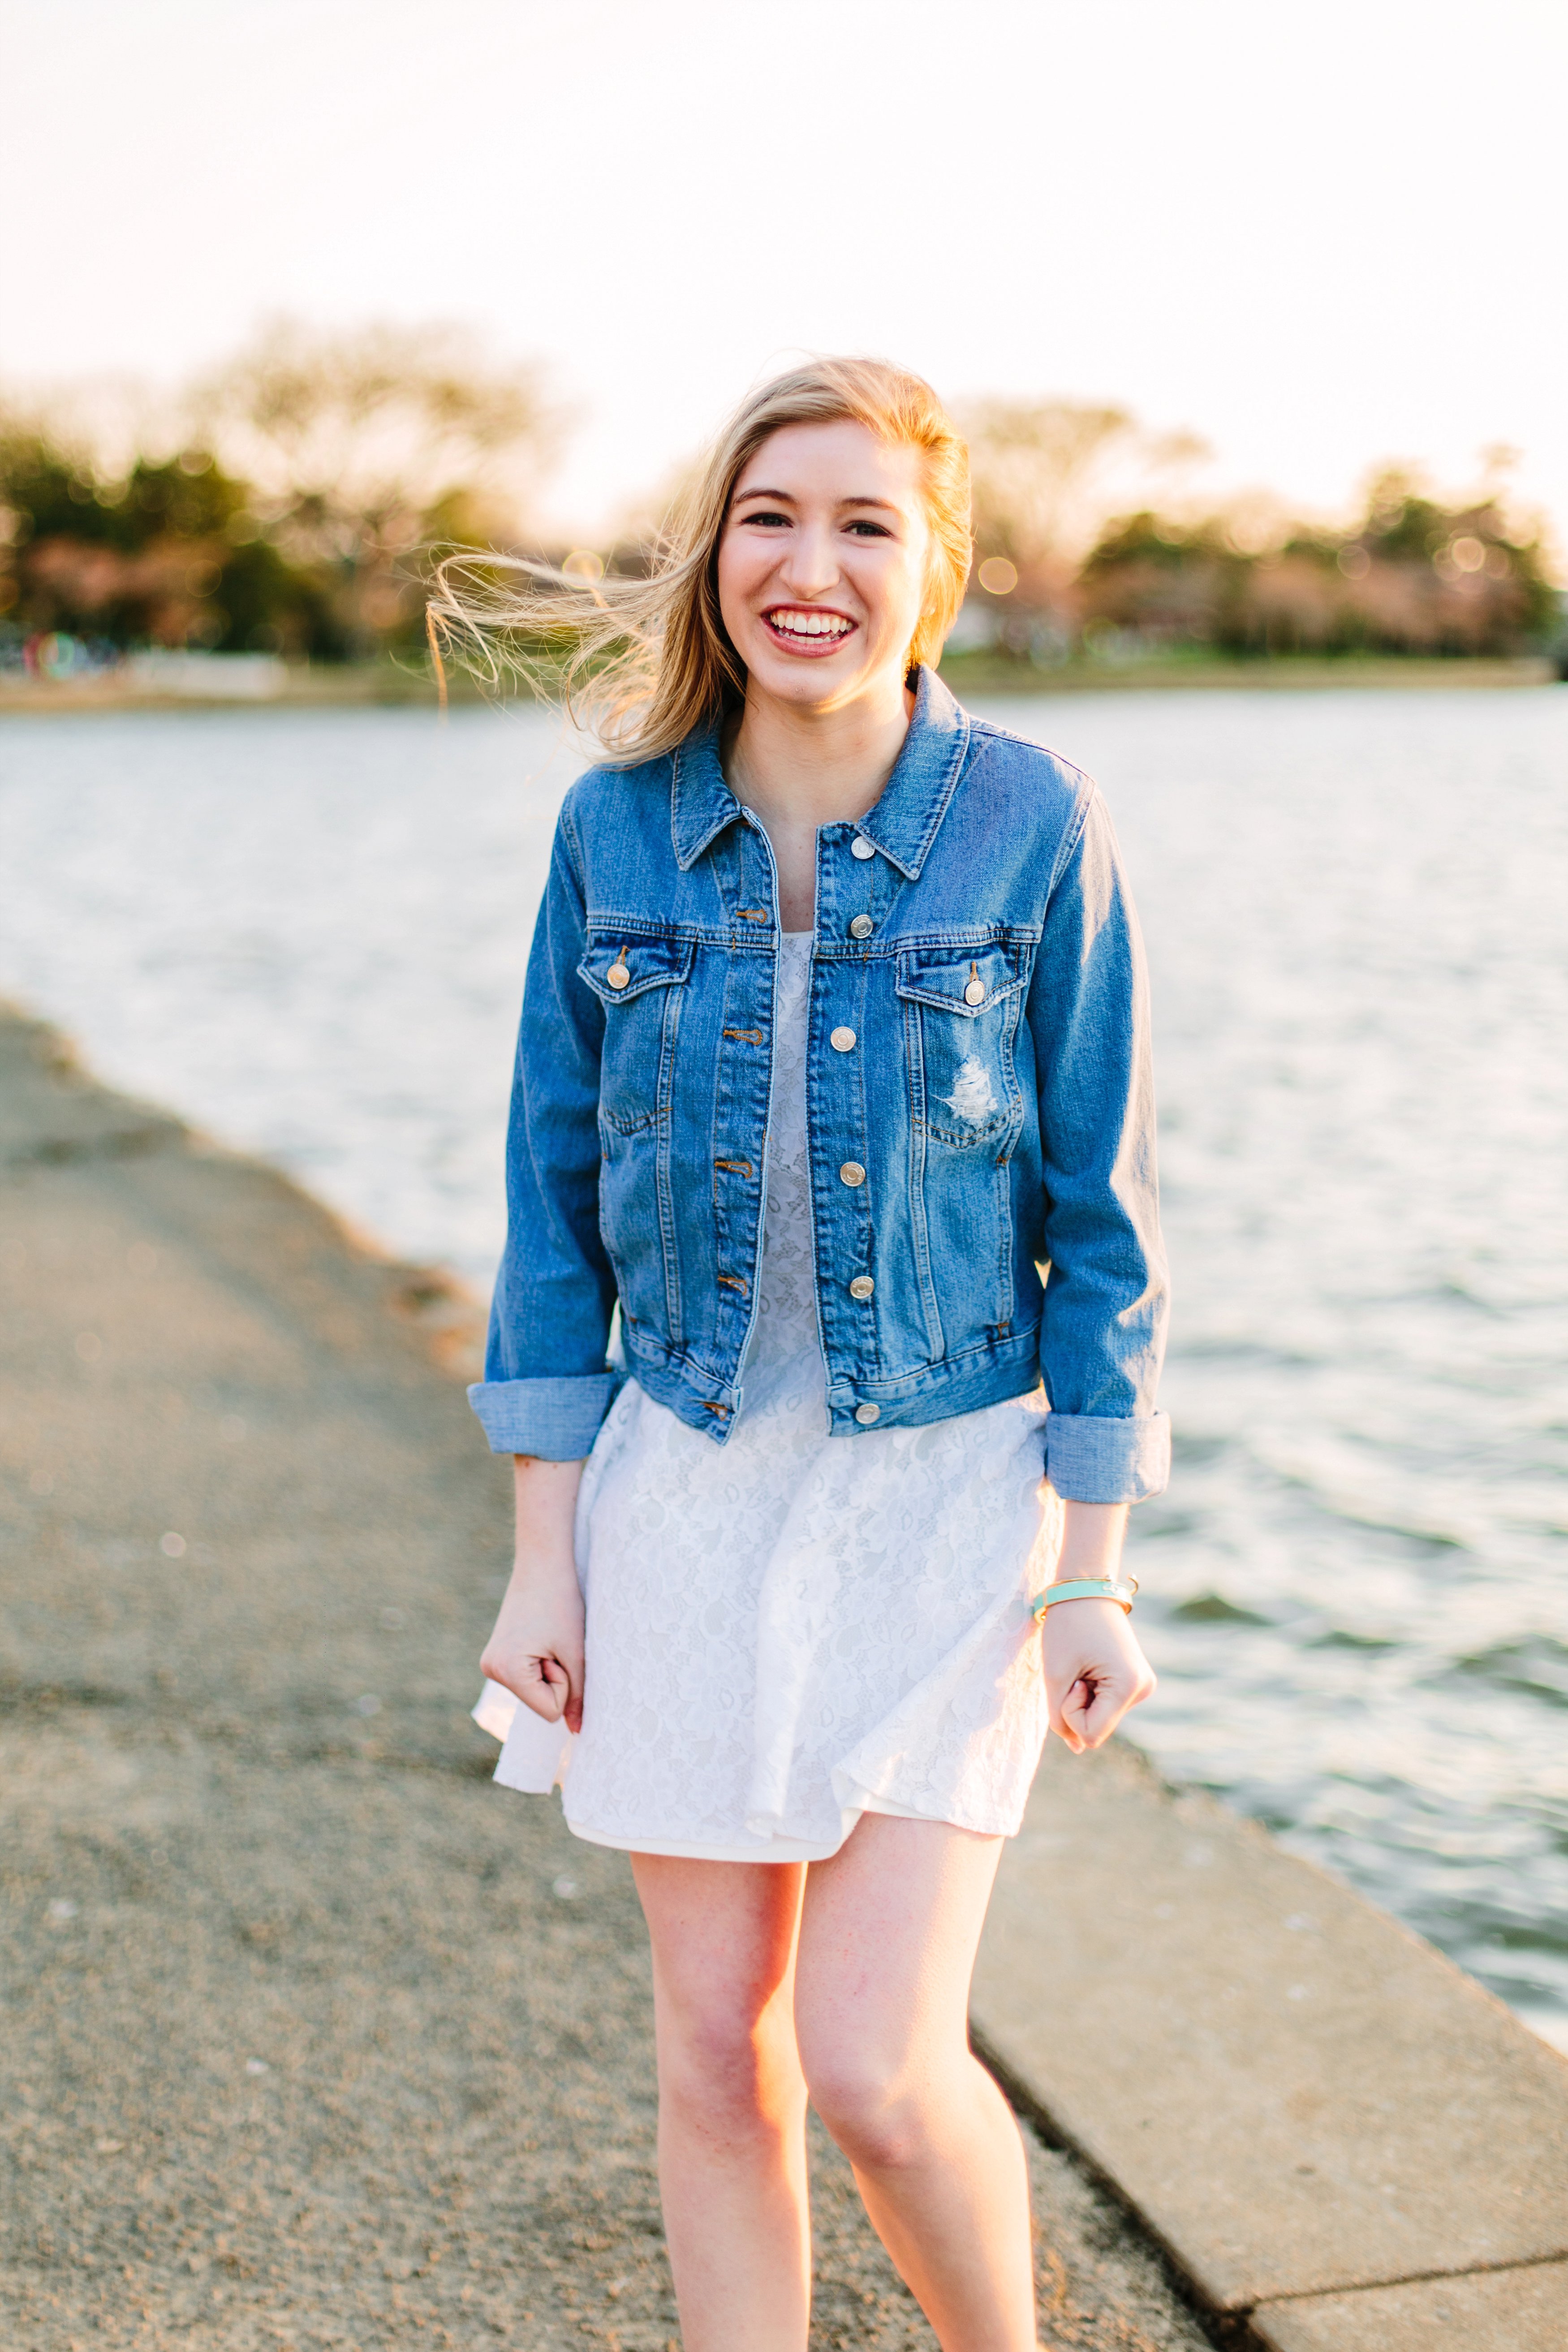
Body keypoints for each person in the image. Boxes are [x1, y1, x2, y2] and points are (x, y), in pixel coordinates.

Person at [433, 357, 1168, 2352]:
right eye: (771, 515)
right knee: (707, 2048)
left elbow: (1099, 1215)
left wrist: (1090, 1557)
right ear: (714, 552)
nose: (809, 563)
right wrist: (543, 1546)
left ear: (931, 574)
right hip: (676, 1490)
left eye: (864, 523)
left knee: (868, 2057)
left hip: (944, 1497)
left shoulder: (1027, 823)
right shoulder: (612, 833)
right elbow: (550, 1201)